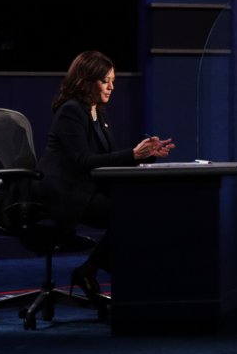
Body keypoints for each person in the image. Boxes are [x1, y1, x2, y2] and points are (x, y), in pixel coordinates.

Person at [38, 51, 174, 302]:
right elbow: (83, 161)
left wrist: (146, 155)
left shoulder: (98, 112)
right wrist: (133, 154)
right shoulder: (71, 111)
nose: (112, 87)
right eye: (105, 81)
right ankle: (98, 273)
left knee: (145, 207)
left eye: (113, 80)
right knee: (130, 214)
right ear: (86, 81)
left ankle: (91, 270)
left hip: (87, 189)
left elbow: (110, 158)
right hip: (67, 194)